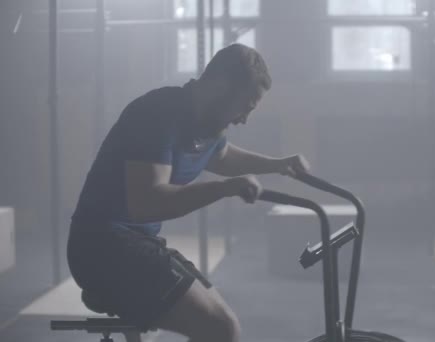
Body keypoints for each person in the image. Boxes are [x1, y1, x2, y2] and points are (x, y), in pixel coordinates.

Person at [67, 43, 310, 342]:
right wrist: (224, 189)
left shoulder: (208, 121)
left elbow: (220, 156)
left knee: (224, 322)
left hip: (137, 243)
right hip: (102, 247)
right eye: (245, 106)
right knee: (220, 328)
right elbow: (148, 203)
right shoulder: (157, 114)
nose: (243, 119)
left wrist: (277, 165)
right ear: (220, 87)